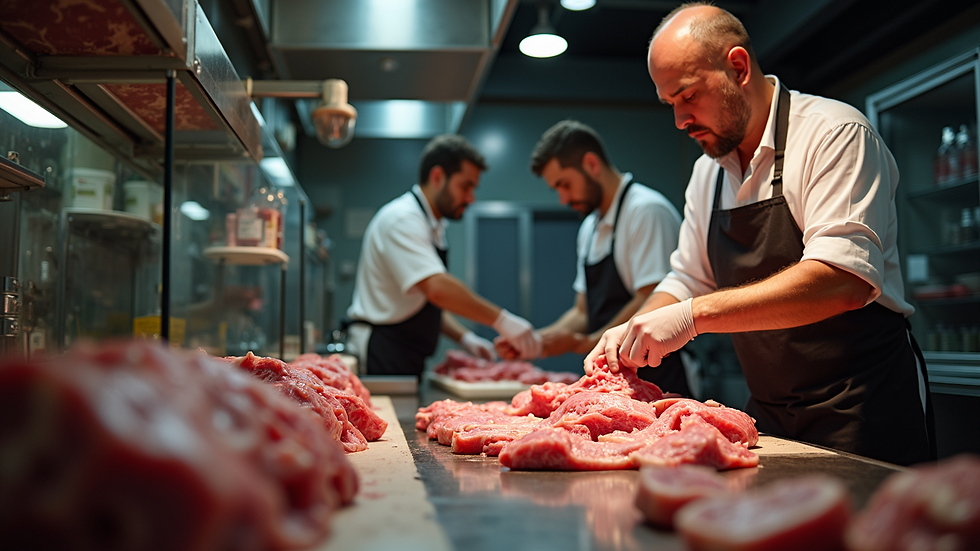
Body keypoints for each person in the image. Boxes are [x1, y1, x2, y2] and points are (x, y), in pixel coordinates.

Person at [586, 3, 933, 466]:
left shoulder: (834, 133)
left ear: (738, 67)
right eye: (670, 104)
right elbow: (687, 278)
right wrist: (630, 331)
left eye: (688, 96)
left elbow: (842, 279)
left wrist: (693, 317)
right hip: (768, 416)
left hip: (860, 411)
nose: (679, 120)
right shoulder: (707, 175)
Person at [496, 120, 692, 396]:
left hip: (658, 378)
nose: (563, 199)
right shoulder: (590, 227)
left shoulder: (646, 211)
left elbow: (651, 299)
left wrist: (585, 341)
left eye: (565, 184)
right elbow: (581, 310)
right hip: (612, 378)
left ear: (591, 164)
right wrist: (537, 342)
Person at [346, 134, 542, 378]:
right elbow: (437, 289)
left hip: (403, 351)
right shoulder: (403, 220)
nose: (471, 198)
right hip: (382, 348)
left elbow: (425, 302)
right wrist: (502, 320)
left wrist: (465, 337)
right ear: (437, 177)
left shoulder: (433, 226)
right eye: (465, 186)